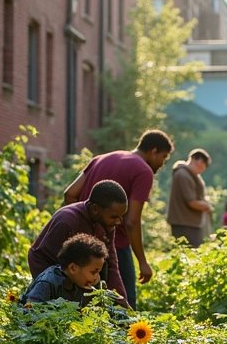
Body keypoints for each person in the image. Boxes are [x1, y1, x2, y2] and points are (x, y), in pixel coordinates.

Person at [63, 129, 173, 309]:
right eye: (163, 157)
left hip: (82, 244)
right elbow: (131, 221)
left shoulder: (100, 158)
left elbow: (70, 194)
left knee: (84, 304)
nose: (162, 164)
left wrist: (81, 232)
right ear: (153, 151)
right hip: (116, 245)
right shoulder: (143, 171)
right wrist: (143, 263)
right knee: (124, 305)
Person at [29, 179, 129, 306]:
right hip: (48, 268)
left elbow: (111, 264)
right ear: (95, 209)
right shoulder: (67, 221)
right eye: (114, 217)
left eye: (122, 216)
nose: (119, 222)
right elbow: (50, 261)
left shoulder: (107, 224)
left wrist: (120, 300)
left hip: (79, 273)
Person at [20, 234, 107, 307]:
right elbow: (29, 312)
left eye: (98, 272)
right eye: (93, 272)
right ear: (73, 268)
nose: (97, 277)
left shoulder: (80, 282)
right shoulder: (47, 283)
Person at [166, 148, 213, 248]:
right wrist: (206, 206)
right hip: (185, 224)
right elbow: (191, 202)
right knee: (190, 255)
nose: (203, 169)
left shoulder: (187, 174)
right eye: (205, 165)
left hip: (189, 222)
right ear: (199, 161)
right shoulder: (183, 175)